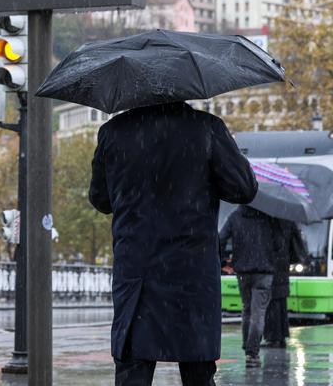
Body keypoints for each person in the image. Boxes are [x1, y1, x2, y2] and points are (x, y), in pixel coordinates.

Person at [89, 102, 257, 386]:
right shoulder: (206, 128)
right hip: (191, 272)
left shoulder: (113, 132)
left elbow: (100, 199)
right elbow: (244, 189)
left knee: (133, 369)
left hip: (137, 273)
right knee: (197, 371)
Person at [218, 206, 276, 366]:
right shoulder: (268, 215)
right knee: (259, 312)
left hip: (243, 270)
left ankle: (247, 346)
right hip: (264, 270)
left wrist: (223, 262)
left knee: (247, 309)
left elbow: (220, 239)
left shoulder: (236, 216)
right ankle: (252, 353)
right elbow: (279, 242)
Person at [262, 217, 308, 348]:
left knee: (273, 303)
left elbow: (272, 244)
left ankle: (273, 338)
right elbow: (296, 246)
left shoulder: (271, 221)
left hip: (273, 266)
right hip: (283, 265)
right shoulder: (289, 220)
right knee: (281, 303)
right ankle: (281, 336)